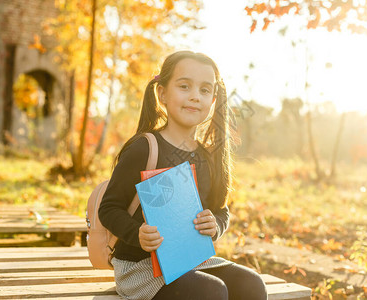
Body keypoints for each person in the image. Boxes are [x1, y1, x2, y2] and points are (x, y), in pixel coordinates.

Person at [99, 50, 267, 300]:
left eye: (204, 90)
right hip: (140, 266)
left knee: (252, 285)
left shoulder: (210, 157)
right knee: (211, 291)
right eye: (184, 86)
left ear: (213, 101)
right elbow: (109, 208)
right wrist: (138, 233)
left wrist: (215, 225)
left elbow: (221, 211)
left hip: (190, 262)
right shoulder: (144, 148)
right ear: (162, 93)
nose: (195, 97)